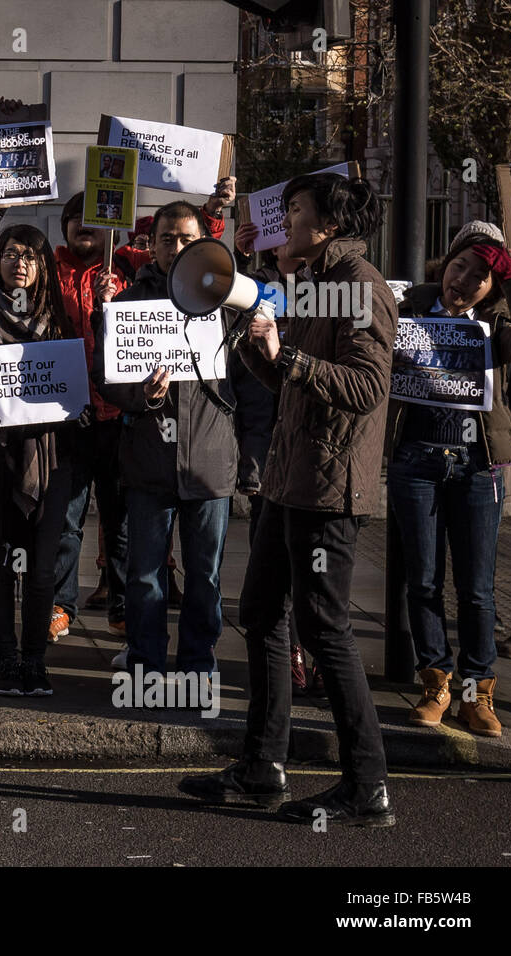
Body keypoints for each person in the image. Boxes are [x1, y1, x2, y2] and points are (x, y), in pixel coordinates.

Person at [180, 173, 397, 827]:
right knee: (261, 612)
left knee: (325, 630)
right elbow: (287, 379)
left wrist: (292, 357)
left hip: (328, 490)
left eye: (295, 211)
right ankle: (263, 764)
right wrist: (260, 352)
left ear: (327, 225)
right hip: (289, 478)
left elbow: (366, 386)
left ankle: (368, 785)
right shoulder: (311, 285)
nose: (282, 222)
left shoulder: (361, 285)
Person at [93, 202, 244, 684]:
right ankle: (145, 665)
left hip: (211, 462)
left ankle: (199, 665)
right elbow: (106, 377)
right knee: (144, 576)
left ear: (204, 242)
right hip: (149, 462)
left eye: (185, 238)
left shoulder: (230, 302)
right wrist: (139, 395)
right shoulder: (130, 302)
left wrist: (252, 457)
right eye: (166, 239)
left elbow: (253, 384)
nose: (175, 248)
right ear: (150, 245)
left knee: (205, 577)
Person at [388, 221, 511, 737]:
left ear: (493, 285)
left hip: (478, 465)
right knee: (422, 581)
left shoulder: (499, 321)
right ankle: (435, 683)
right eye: (460, 264)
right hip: (416, 460)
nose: (463, 279)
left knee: (477, 589)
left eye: (481, 274)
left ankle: (477, 692)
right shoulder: (410, 306)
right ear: (446, 261)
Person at [0, 224, 84, 696]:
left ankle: (35, 659)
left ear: (42, 267)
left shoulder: (56, 317)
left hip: (51, 459)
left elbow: (73, 377)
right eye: (11, 254)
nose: (20, 263)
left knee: (41, 565)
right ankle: (5, 657)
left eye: (30, 256)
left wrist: (80, 410)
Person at [232, 219, 313, 698]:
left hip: (306, 445)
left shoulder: (324, 291)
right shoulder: (257, 285)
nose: (285, 237)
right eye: (277, 229)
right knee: (270, 562)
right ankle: (286, 658)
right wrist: (240, 262)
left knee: (309, 566)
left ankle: (308, 652)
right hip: (266, 446)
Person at [51, 191, 134, 644]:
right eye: (74, 219)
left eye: (94, 219)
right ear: (64, 228)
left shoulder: (125, 267)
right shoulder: (48, 273)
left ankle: (122, 609)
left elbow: (179, 250)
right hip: (70, 419)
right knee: (67, 518)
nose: (83, 225)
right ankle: (61, 606)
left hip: (119, 417)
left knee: (119, 520)